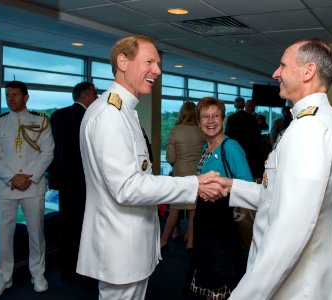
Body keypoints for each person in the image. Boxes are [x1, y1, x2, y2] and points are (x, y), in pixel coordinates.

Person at [76, 35, 223, 300]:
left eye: (158, 63)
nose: (157, 70)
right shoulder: (110, 115)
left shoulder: (123, 110)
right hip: (121, 245)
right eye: (150, 61)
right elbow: (127, 187)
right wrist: (194, 183)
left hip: (130, 242)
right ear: (123, 62)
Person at [207, 38, 332, 299]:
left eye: (283, 65)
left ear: (308, 72)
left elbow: (291, 228)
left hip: (293, 285)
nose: (275, 73)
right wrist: (234, 187)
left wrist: (245, 295)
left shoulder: (309, 130)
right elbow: (282, 196)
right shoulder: (322, 121)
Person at [0, 81, 54, 297]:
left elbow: (48, 153)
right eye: (7, 95)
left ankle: (38, 273)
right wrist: (12, 177)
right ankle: (2, 278)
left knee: (36, 232)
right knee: (3, 235)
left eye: (15, 95)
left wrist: (31, 177)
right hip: (5, 186)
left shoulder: (41, 122)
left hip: (32, 186)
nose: (10, 99)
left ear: (26, 97)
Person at [191, 97, 253, 300]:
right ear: (199, 122)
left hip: (223, 227)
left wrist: (223, 189)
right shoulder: (206, 149)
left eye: (215, 116)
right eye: (205, 117)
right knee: (208, 285)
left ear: (223, 119)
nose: (210, 121)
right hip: (206, 226)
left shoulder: (231, 147)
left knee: (220, 287)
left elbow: (248, 187)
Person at [48, 81, 98, 281]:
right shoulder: (90, 117)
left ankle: (66, 269)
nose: (96, 98)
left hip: (64, 182)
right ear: (85, 95)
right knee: (86, 225)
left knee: (67, 225)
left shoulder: (57, 116)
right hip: (85, 182)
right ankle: (85, 267)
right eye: (94, 94)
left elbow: (52, 150)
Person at [160, 101, 206, 255]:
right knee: (193, 211)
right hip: (196, 176)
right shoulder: (201, 132)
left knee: (175, 209)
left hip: (180, 175)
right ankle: (191, 244)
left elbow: (170, 157)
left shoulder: (175, 131)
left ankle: (163, 241)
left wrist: (177, 163)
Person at [225, 97, 263, 182]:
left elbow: (227, 135)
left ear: (235, 105)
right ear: (244, 105)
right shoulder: (251, 117)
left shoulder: (231, 118)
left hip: (236, 148)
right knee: (249, 170)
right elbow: (256, 133)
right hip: (251, 149)